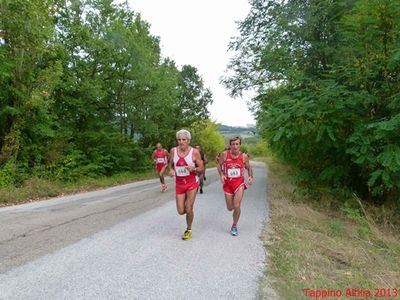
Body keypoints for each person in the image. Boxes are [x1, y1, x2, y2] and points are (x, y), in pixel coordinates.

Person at [168, 129, 204, 240]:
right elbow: (170, 164)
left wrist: (194, 168)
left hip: (191, 182)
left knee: (188, 208)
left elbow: (201, 168)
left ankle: (188, 229)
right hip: (179, 184)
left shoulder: (194, 152)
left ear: (188, 140)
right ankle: (186, 206)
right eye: (179, 139)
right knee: (181, 211)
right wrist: (170, 170)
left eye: (184, 139)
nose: (181, 142)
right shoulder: (173, 151)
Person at [216, 136, 253, 236]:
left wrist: (250, 176)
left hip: (239, 183)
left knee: (236, 205)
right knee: (230, 208)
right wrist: (222, 175)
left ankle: (234, 225)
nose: (235, 146)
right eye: (233, 144)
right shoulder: (224, 154)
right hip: (228, 184)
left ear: (240, 145)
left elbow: (249, 167)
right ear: (230, 145)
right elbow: (219, 165)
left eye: (237, 144)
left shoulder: (244, 156)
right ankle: (233, 216)